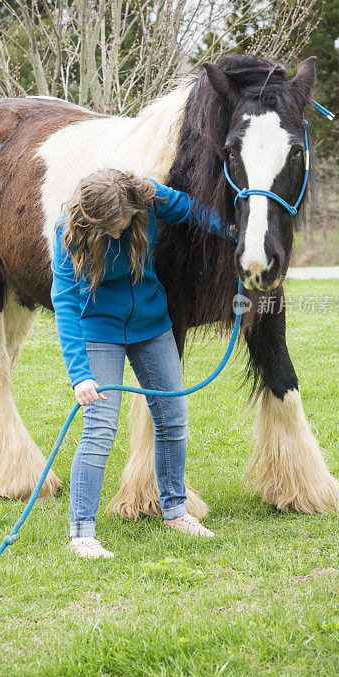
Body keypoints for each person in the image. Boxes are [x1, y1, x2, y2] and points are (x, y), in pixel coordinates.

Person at [51, 169, 238, 559]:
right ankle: (82, 532)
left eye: (123, 225)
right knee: (100, 428)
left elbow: (190, 210)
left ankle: (175, 511)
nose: (118, 235)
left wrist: (233, 230)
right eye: (109, 230)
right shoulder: (65, 232)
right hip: (98, 331)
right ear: (88, 219)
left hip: (153, 326)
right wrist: (80, 375)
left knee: (172, 416)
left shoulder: (146, 198)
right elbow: (65, 303)